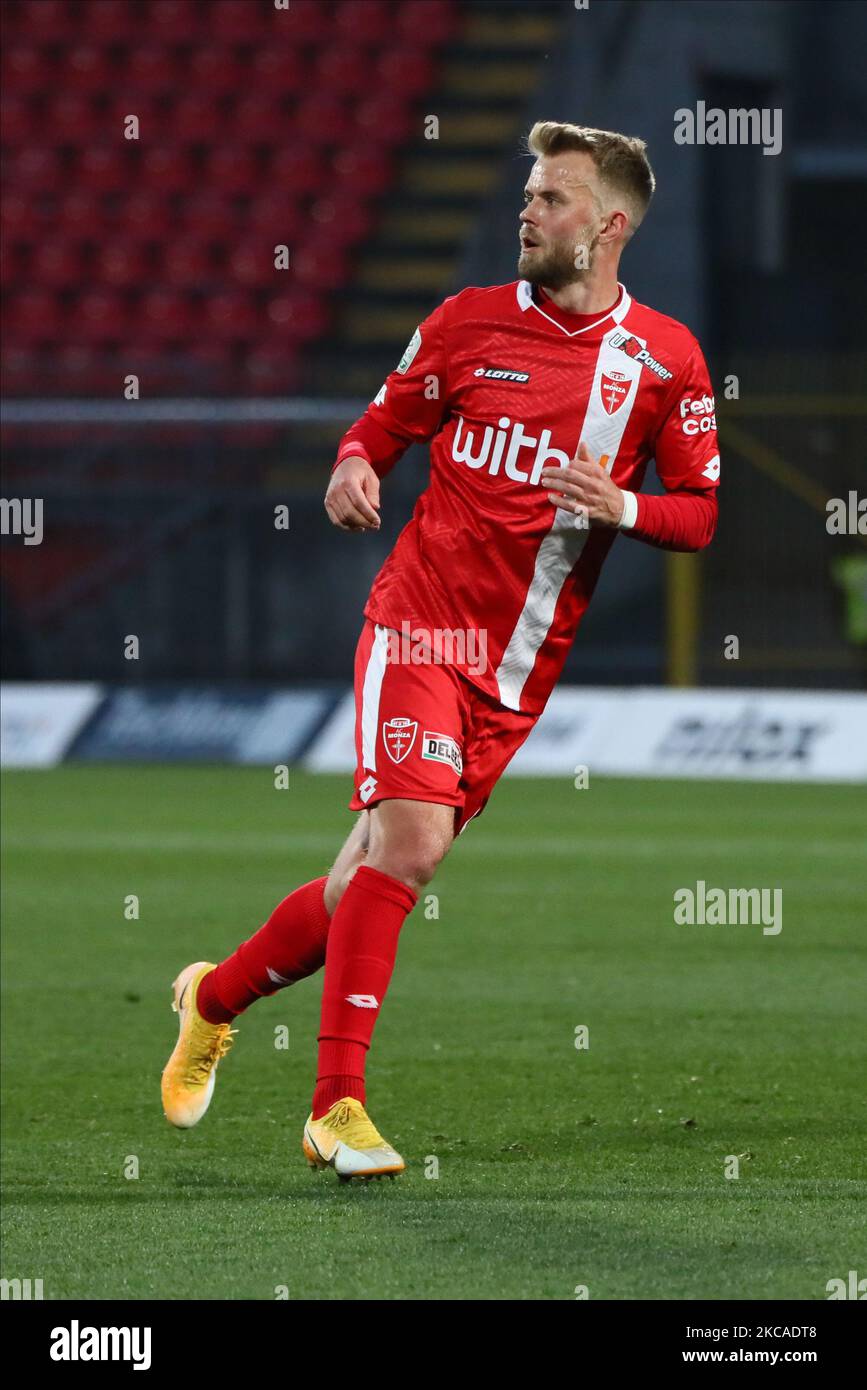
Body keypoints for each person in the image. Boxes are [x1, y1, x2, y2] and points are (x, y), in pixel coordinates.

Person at [161, 122, 720, 1181]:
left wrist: (626, 505)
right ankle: (336, 1108)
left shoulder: (667, 361)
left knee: (355, 886)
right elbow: (380, 425)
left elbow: (699, 514)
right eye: (530, 193)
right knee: (409, 849)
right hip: (420, 624)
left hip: (517, 671)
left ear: (609, 227)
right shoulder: (463, 324)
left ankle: (212, 998)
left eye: (553, 198)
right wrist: (350, 468)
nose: (529, 211)